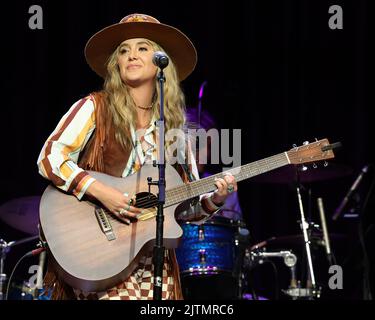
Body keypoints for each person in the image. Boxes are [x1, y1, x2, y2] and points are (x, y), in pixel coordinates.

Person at [37, 13, 238, 300]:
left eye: (143, 47)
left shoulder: (177, 131)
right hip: (100, 252)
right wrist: (103, 192)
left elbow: (184, 210)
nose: (131, 55)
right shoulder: (94, 107)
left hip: (155, 262)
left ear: (161, 61)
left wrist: (215, 199)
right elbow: (49, 157)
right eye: (123, 50)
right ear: (116, 64)